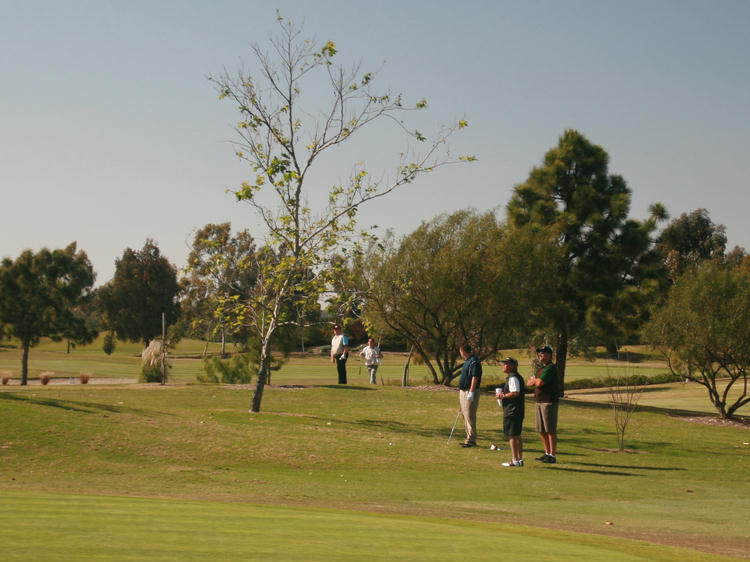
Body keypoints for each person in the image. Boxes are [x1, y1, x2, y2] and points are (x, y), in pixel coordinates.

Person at [526, 345, 559, 463]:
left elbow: (539, 383)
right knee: (542, 430)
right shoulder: (540, 369)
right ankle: (546, 452)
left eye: (543, 353)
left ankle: (552, 455)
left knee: (550, 429)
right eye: (539, 353)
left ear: (549, 355)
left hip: (548, 402)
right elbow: (529, 383)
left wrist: (535, 381)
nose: (540, 355)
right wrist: (535, 381)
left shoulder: (551, 368)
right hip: (539, 402)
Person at [496, 357, 525, 467]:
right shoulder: (515, 377)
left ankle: (515, 460)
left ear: (512, 366)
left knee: (512, 436)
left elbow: (515, 392)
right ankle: (519, 459)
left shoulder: (513, 378)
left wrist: (503, 396)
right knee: (517, 435)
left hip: (512, 410)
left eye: (506, 364)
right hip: (517, 410)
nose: (504, 366)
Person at [457, 343, 482, 447]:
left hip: (470, 391)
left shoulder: (474, 362)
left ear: (463, 351)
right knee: (464, 414)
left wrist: (471, 391)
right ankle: (468, 437)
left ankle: (471, 440)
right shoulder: (467, 362)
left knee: (469, 415)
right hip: (463, 391)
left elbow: (474, 377)